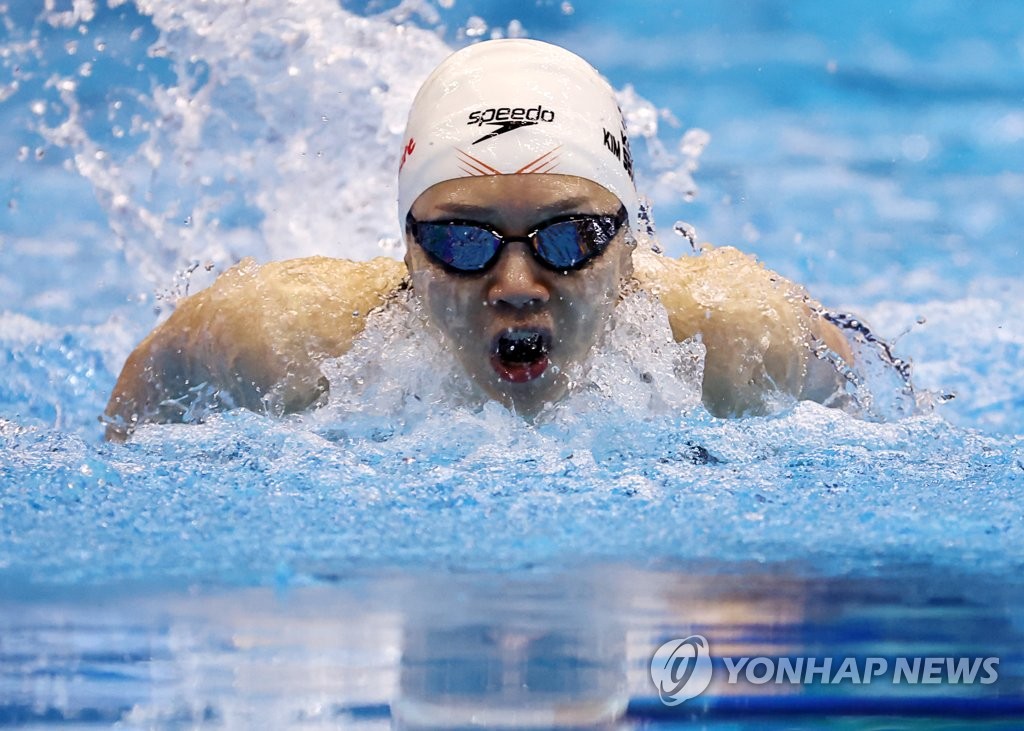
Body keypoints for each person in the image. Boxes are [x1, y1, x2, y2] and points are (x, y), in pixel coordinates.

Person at [102, 39, 852, 442]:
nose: (518, 283)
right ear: (406, 247)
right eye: (463, 241)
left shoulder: (741, 337)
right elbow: (128, 427)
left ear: (629, 247)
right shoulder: (283, 337)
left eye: (570, 238)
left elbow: (886, 415)